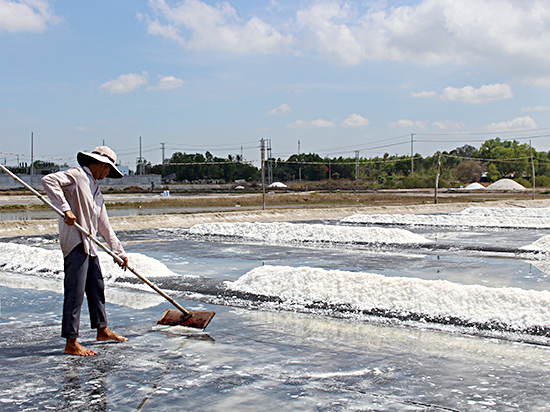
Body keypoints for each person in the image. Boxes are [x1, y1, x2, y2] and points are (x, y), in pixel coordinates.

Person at [42, 146, 129, 356]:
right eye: (108, 170)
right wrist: (65, 209)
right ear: (100, 164)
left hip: (89, 245)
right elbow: (48, 181)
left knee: (97, 286)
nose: (108, 174)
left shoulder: (96, 189)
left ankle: (102, 330)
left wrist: (119, 251)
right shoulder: (77, 175)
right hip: (75, 243)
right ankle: (71, 343)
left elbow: (103, 224)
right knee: (75, 292)